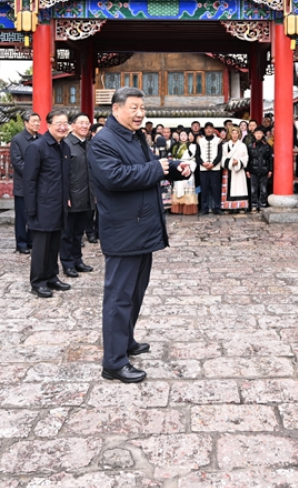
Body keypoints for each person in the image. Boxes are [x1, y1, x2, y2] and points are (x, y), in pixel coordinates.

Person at [88, 87, 192, 384]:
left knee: (135, 292)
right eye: (133, 107)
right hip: (123, 230)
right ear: (116, 109)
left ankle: (125, 341)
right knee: (119, 297)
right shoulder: (103, 142)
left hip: (141, 227)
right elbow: (115, 177)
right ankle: (113, 362)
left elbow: (149, 168)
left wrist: (175, 168)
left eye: (142, 108)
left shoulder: (135, 137)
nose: (140, 113)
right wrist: (156, 168)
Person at [24, 110, 72, 298]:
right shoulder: (37, 147)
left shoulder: (64, 147)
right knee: (41, 247)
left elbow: (66, 178)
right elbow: (29, 180)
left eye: (65, 123)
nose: (62, 127)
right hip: (42, 205)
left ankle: (52, 277)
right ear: (49, 125)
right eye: (58, 123)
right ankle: (38, 282)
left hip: (59, 205)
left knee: (54, 245)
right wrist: (30, 208)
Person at [60, 113, 96, 279]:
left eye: (87, 123)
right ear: (72, 125)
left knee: (78, 232)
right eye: (80, 123)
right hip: (72, 195)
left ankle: (77, 260)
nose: (84, 126)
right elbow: (62, 173)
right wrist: (65, 194)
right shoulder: (66, 144)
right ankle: (67, 263)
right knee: (67, 233)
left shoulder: (89, 144)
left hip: (86, 194)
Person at [9, 111, 40, 254]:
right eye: (34, 121)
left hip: (39, 184)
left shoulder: (41, 138)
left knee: (36, 215)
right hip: (23, 185)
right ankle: (21, 243)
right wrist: (32, 174)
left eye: (38, 121)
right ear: (26, 123)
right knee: (22, 216)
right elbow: (17, 162)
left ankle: (33, 240)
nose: (37, 124)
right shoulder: (17, 139)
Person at [169, 130, 199, 215]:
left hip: (188, 167)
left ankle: (188, 209)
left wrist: (189, 166)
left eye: (185, 135)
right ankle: (178, 208)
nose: (183, 137)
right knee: (177, 186)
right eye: (181, 135)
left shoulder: (193, 146)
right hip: (178, 166)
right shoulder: (175, 146)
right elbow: (172, 157)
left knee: (187, 187)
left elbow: (194, 159)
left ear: (188, 136)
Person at [197, 122, 223, 215]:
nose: (208, 130)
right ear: (204, 130)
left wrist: (213, 164)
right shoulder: (200, 141)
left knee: (215, 188)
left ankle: (217, 208)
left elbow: (220, 154)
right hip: (203, 168)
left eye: (210, 128)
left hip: (215, 168)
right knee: (204, 188)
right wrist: (203, 163)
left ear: (213, 129)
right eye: (207, 128)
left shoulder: (218, 140)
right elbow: (197, 155)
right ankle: (204, 208)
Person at [222, 127, 249, 212]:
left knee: (240, 188)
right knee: (229, 189)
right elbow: (222, 157)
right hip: (229, 170)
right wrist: (230, 162)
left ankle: (241, 206)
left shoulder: (242, 145)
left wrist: (238, 162)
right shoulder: (225, 146)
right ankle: (228, 207)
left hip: (239, 170)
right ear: (230, 134)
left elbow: (245, 157)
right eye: (233, 133)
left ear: (239, 134)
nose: (234, 135)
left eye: (236, 133)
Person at [247, 127, 273, 212]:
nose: (258, 135)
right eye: (257, 133)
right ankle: (254, 205)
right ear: (254, 134)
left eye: (260, 133)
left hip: (264, 170)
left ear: (263, 134)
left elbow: (270, 158)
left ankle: (262, 205)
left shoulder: (267, 145)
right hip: (253, 170)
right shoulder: (250, 146)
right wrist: (247, 170)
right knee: (253, 189)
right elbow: (248, 159)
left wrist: (270, 170)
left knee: (263, 189)